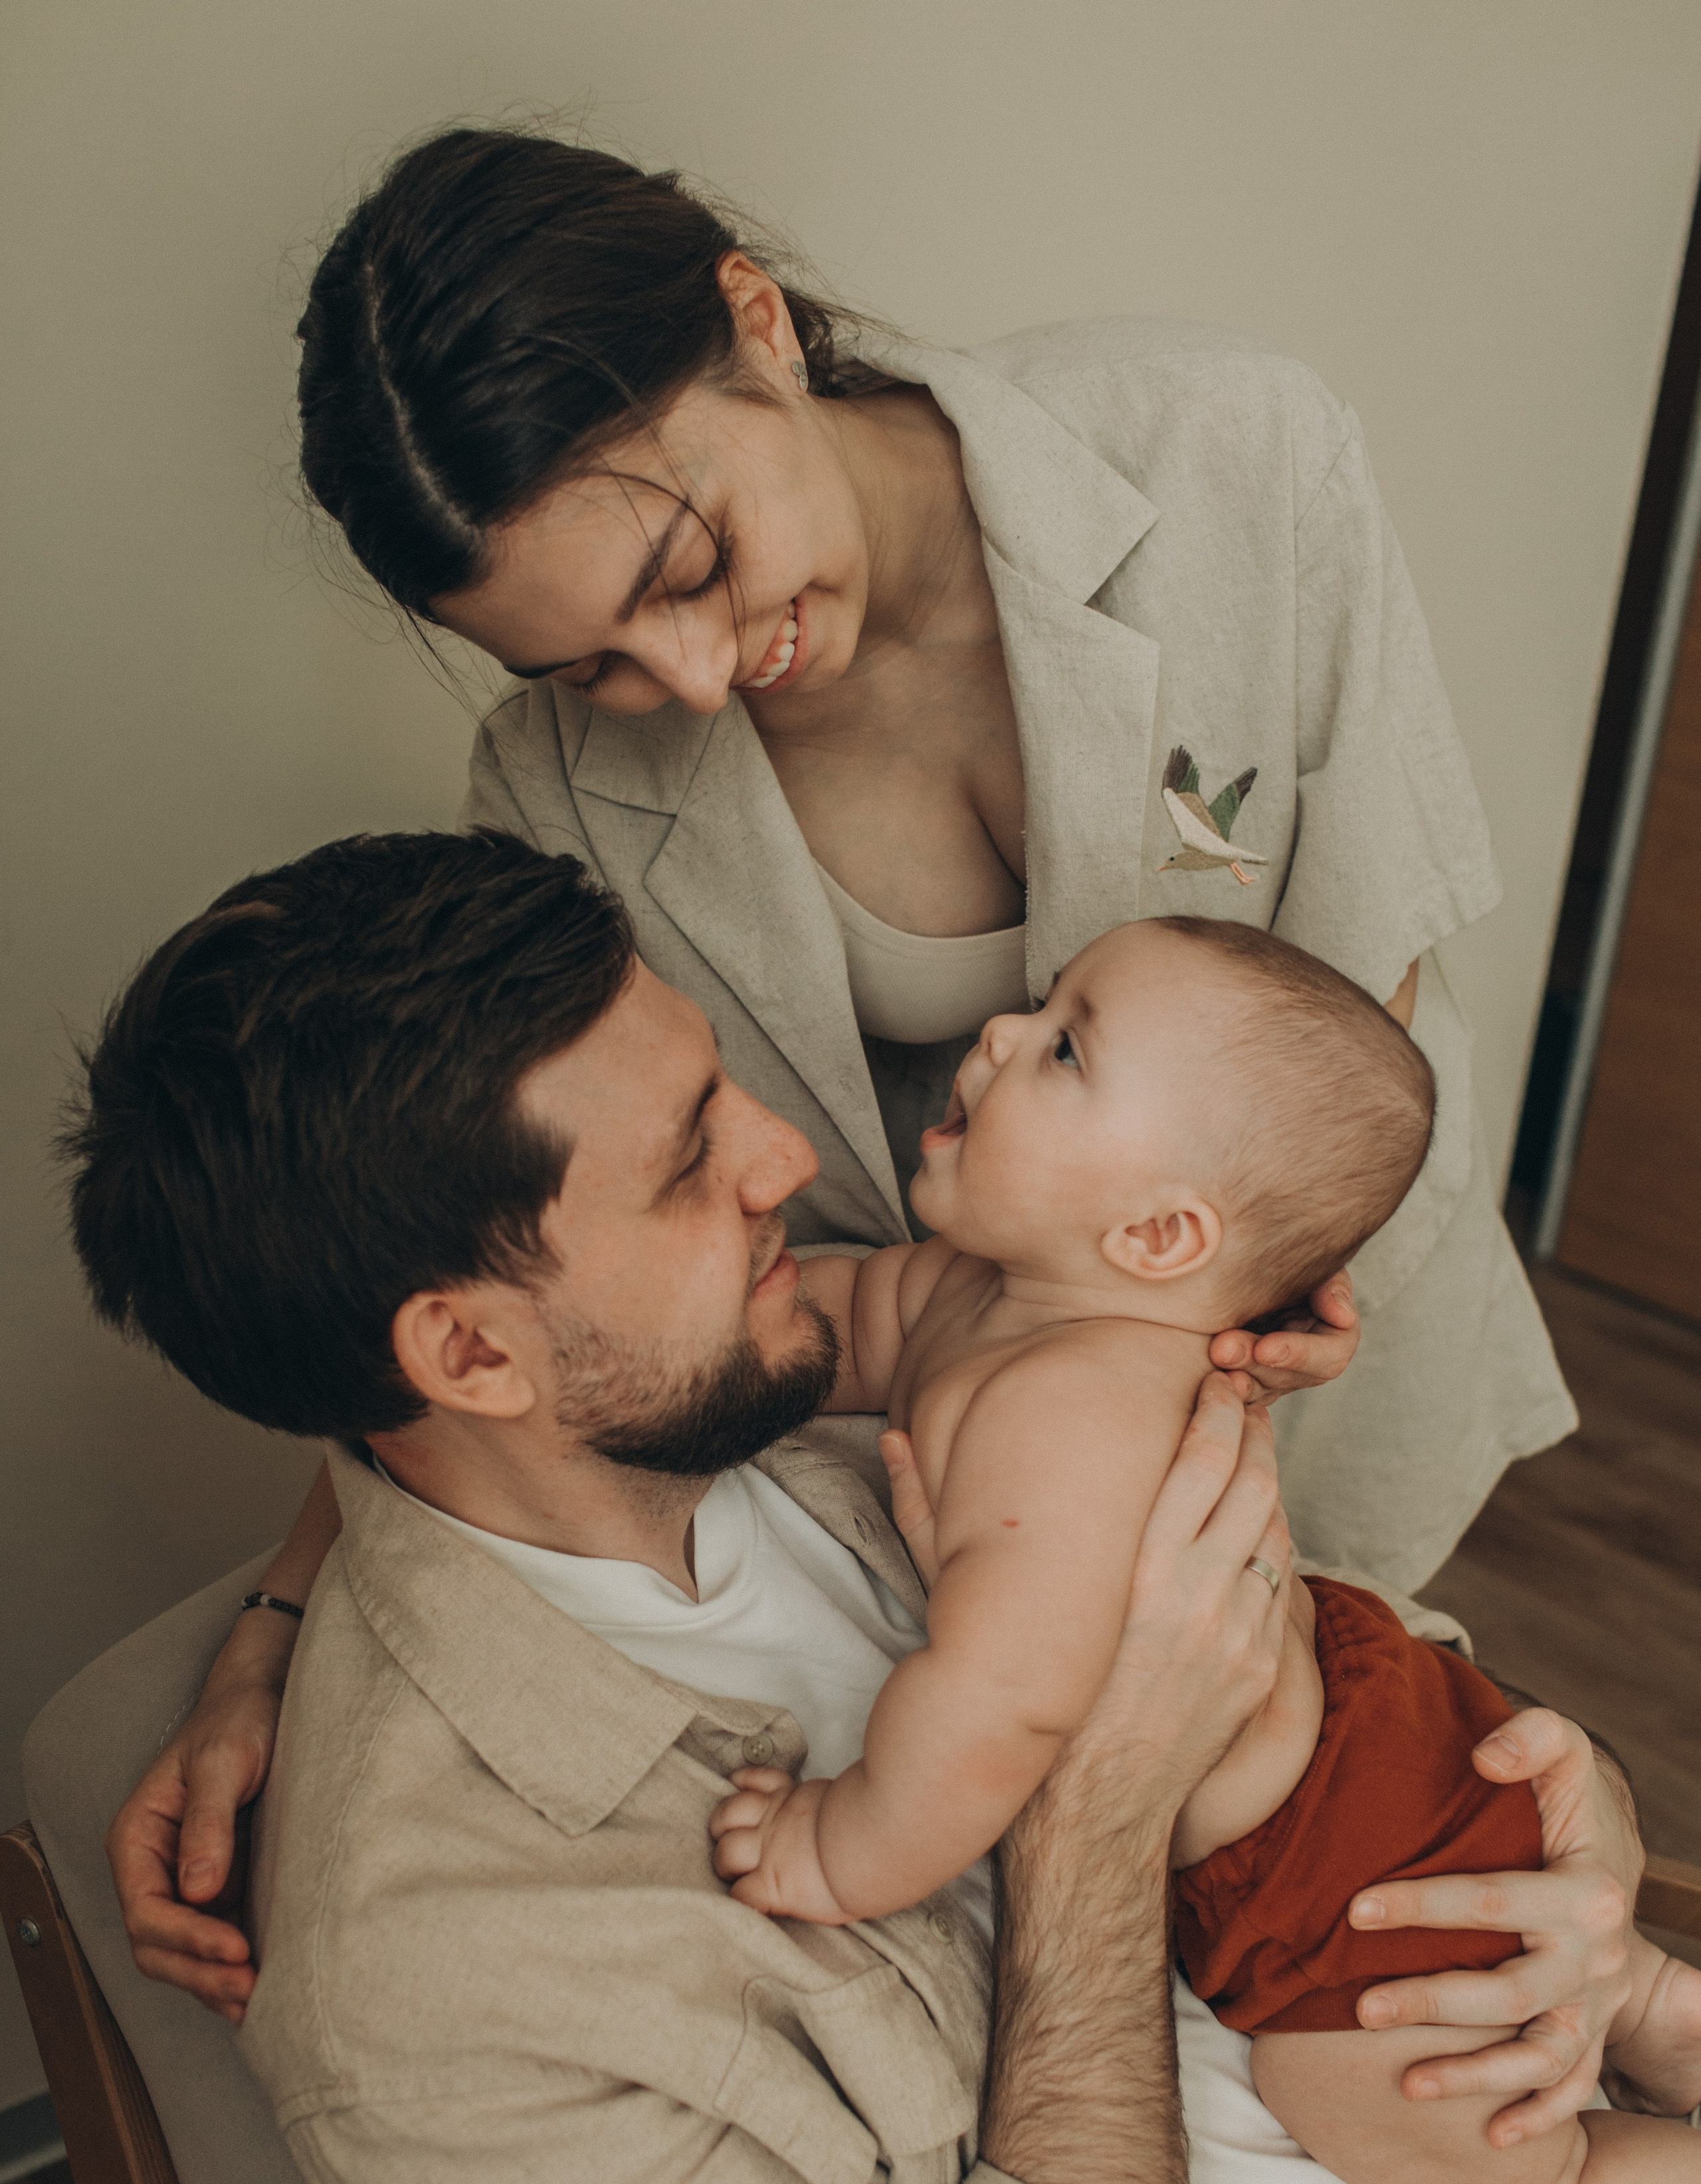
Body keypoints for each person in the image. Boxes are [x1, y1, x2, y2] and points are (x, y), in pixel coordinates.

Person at [65, 831, 1700, 2184]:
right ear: (470, 1351)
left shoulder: (824, 1387)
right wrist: (1102, 1806)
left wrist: (1599, 1907)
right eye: (695, 1153)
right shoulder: (449, 1974)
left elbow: (1379, 1671)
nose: (787, 1154)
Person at [109, 118, 1579, 1995]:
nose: (701, 678)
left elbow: (1350, 1017)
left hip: (1318, 1346)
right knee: (1208, 1932)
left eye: (692, 560)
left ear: (757, 323)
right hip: (969, 1469)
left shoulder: (1232, 455)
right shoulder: (554, 795)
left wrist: (1264, 1283)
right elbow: (491, 1250)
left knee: (1396, 1823)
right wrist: (278, 1623)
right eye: (596, 665)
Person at [702, 914, 1701, 2184]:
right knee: (1505, 2016)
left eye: (1060, 1047)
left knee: (1479, 2174)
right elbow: (831, 1331)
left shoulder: (1067, 1414)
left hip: (1341, 1864)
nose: (994, 1036)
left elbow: (1000, 1704)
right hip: (1359, 1695)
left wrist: (837, 1842)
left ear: (1158, 1237)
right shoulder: (976, 1288)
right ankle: (1656, 2009)